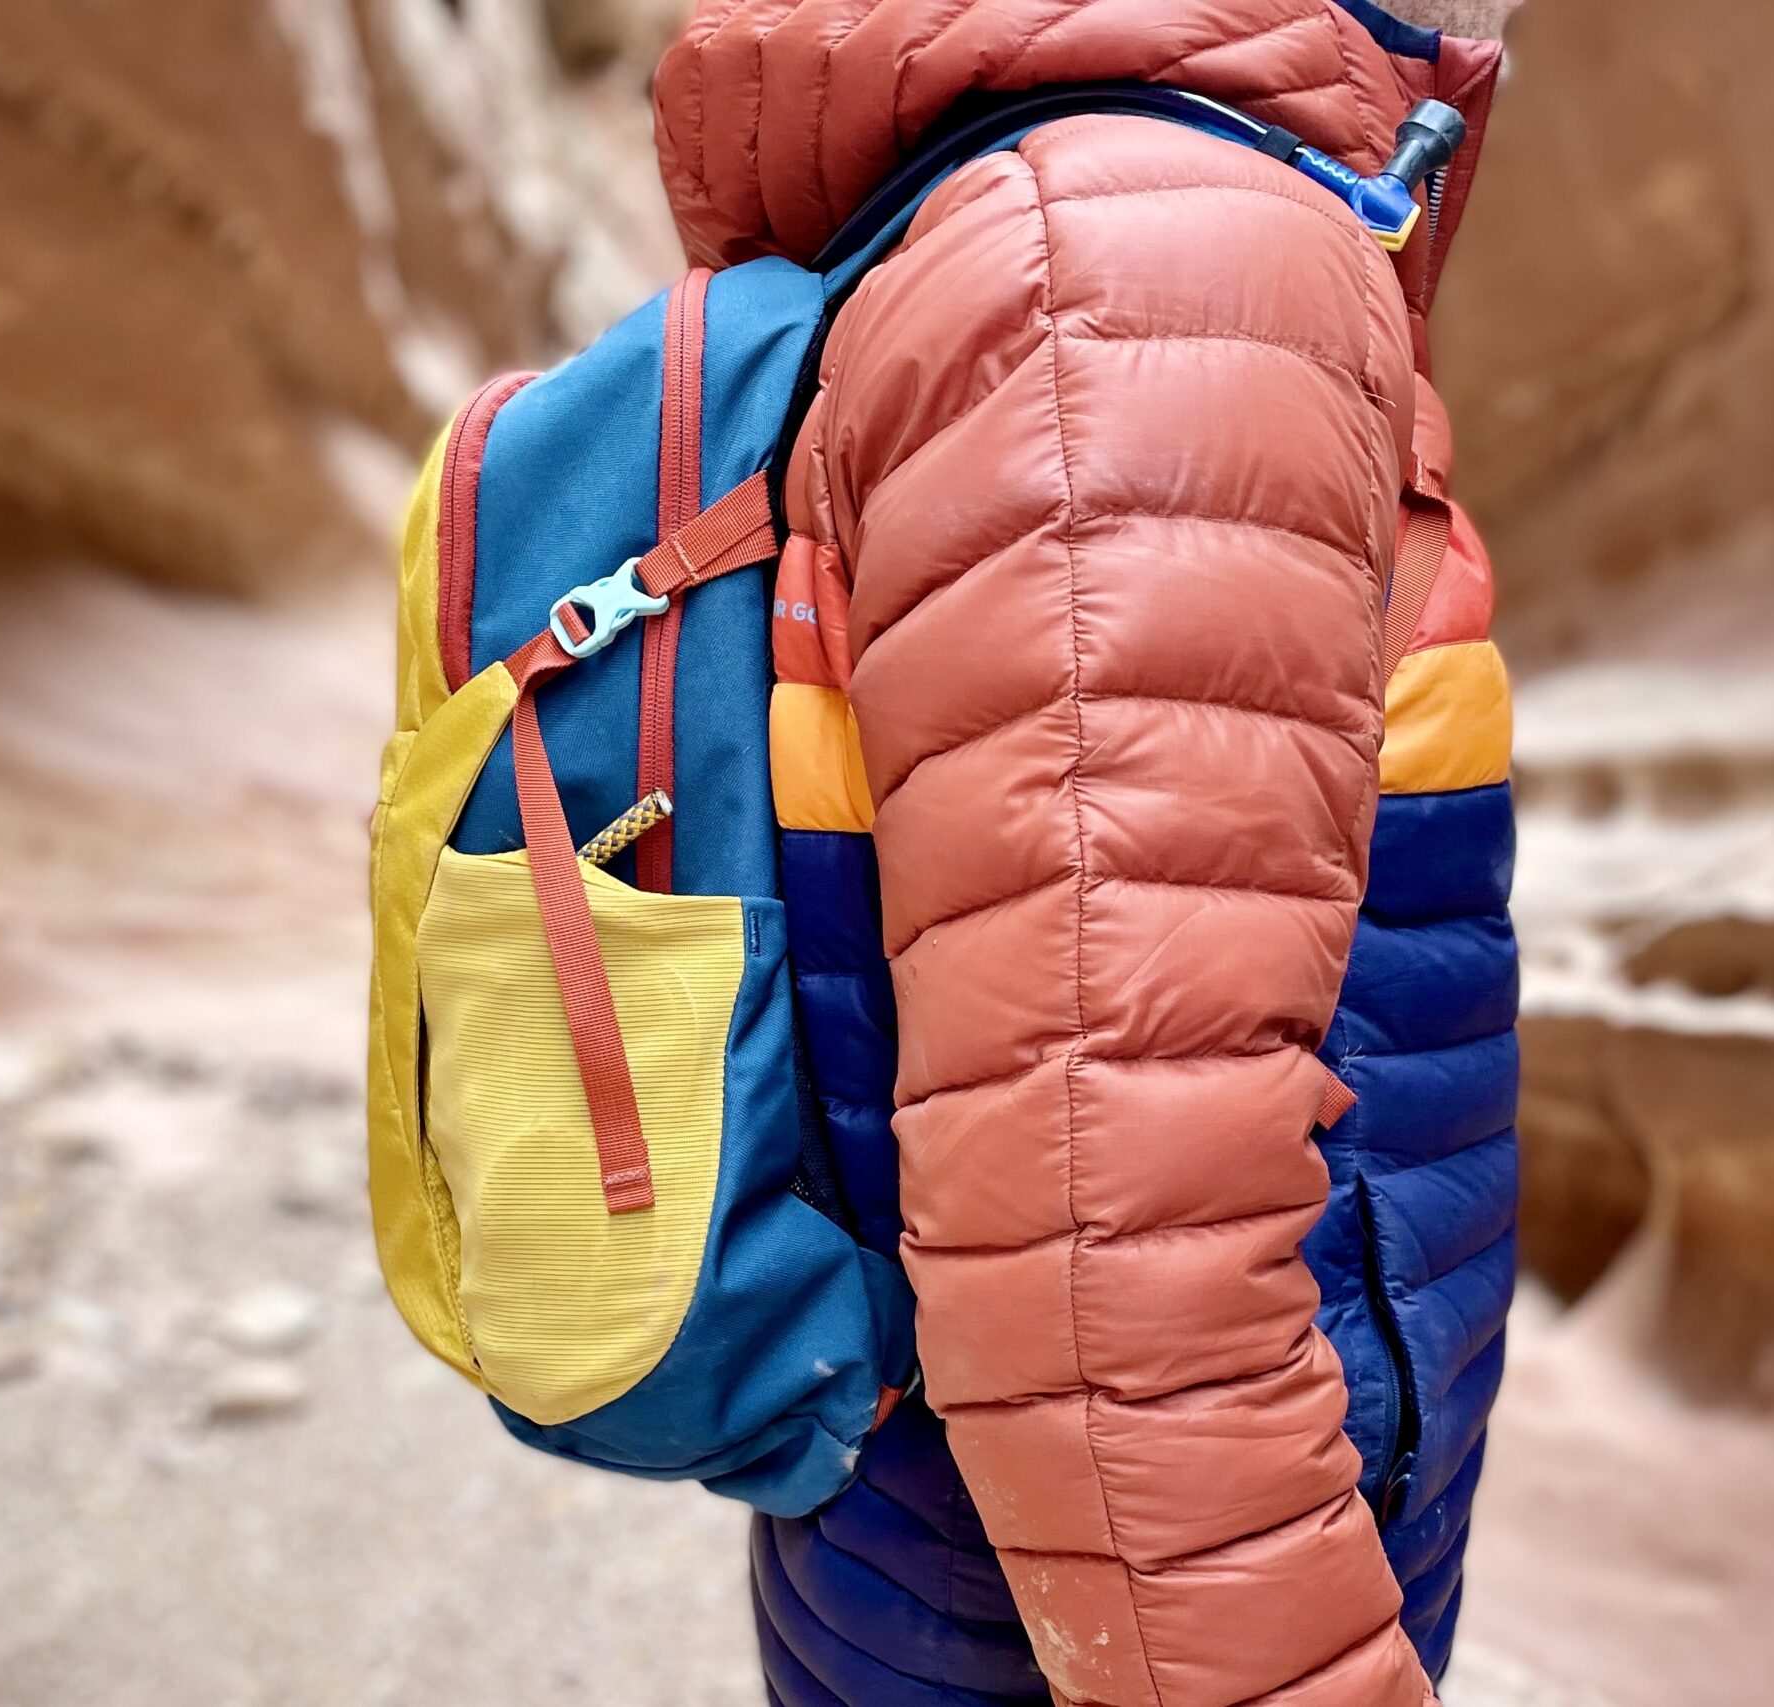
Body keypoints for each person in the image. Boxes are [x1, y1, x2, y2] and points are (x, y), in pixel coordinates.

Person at [650, 1, 1523, 1700]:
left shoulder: (1056, 229)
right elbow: (1106, 1263)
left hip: (979, 1572)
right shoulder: (1144, 276)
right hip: (1111, 1621)